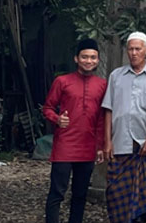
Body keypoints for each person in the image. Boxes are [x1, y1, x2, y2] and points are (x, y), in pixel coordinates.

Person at [102, 31, 146, 223]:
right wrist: (107, 142)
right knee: (115, 192)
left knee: (142, 192)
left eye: (138, 49)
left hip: (143, 144)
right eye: (130, 49)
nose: (133, 53)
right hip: (119, 142)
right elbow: (108, 109)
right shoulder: (116, 76)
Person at [42, 38, 107, 223]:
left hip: (88, 147)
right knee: (57, 193)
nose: (89, 61)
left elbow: (102, 117)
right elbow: (47, 108)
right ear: (76, 59)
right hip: (65, 146)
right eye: (85, 57)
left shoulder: (102, 84)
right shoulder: (62, 81)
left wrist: (101, 146)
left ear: (98, 60)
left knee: (80, 195)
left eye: (93, 57)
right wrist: (57, 119)